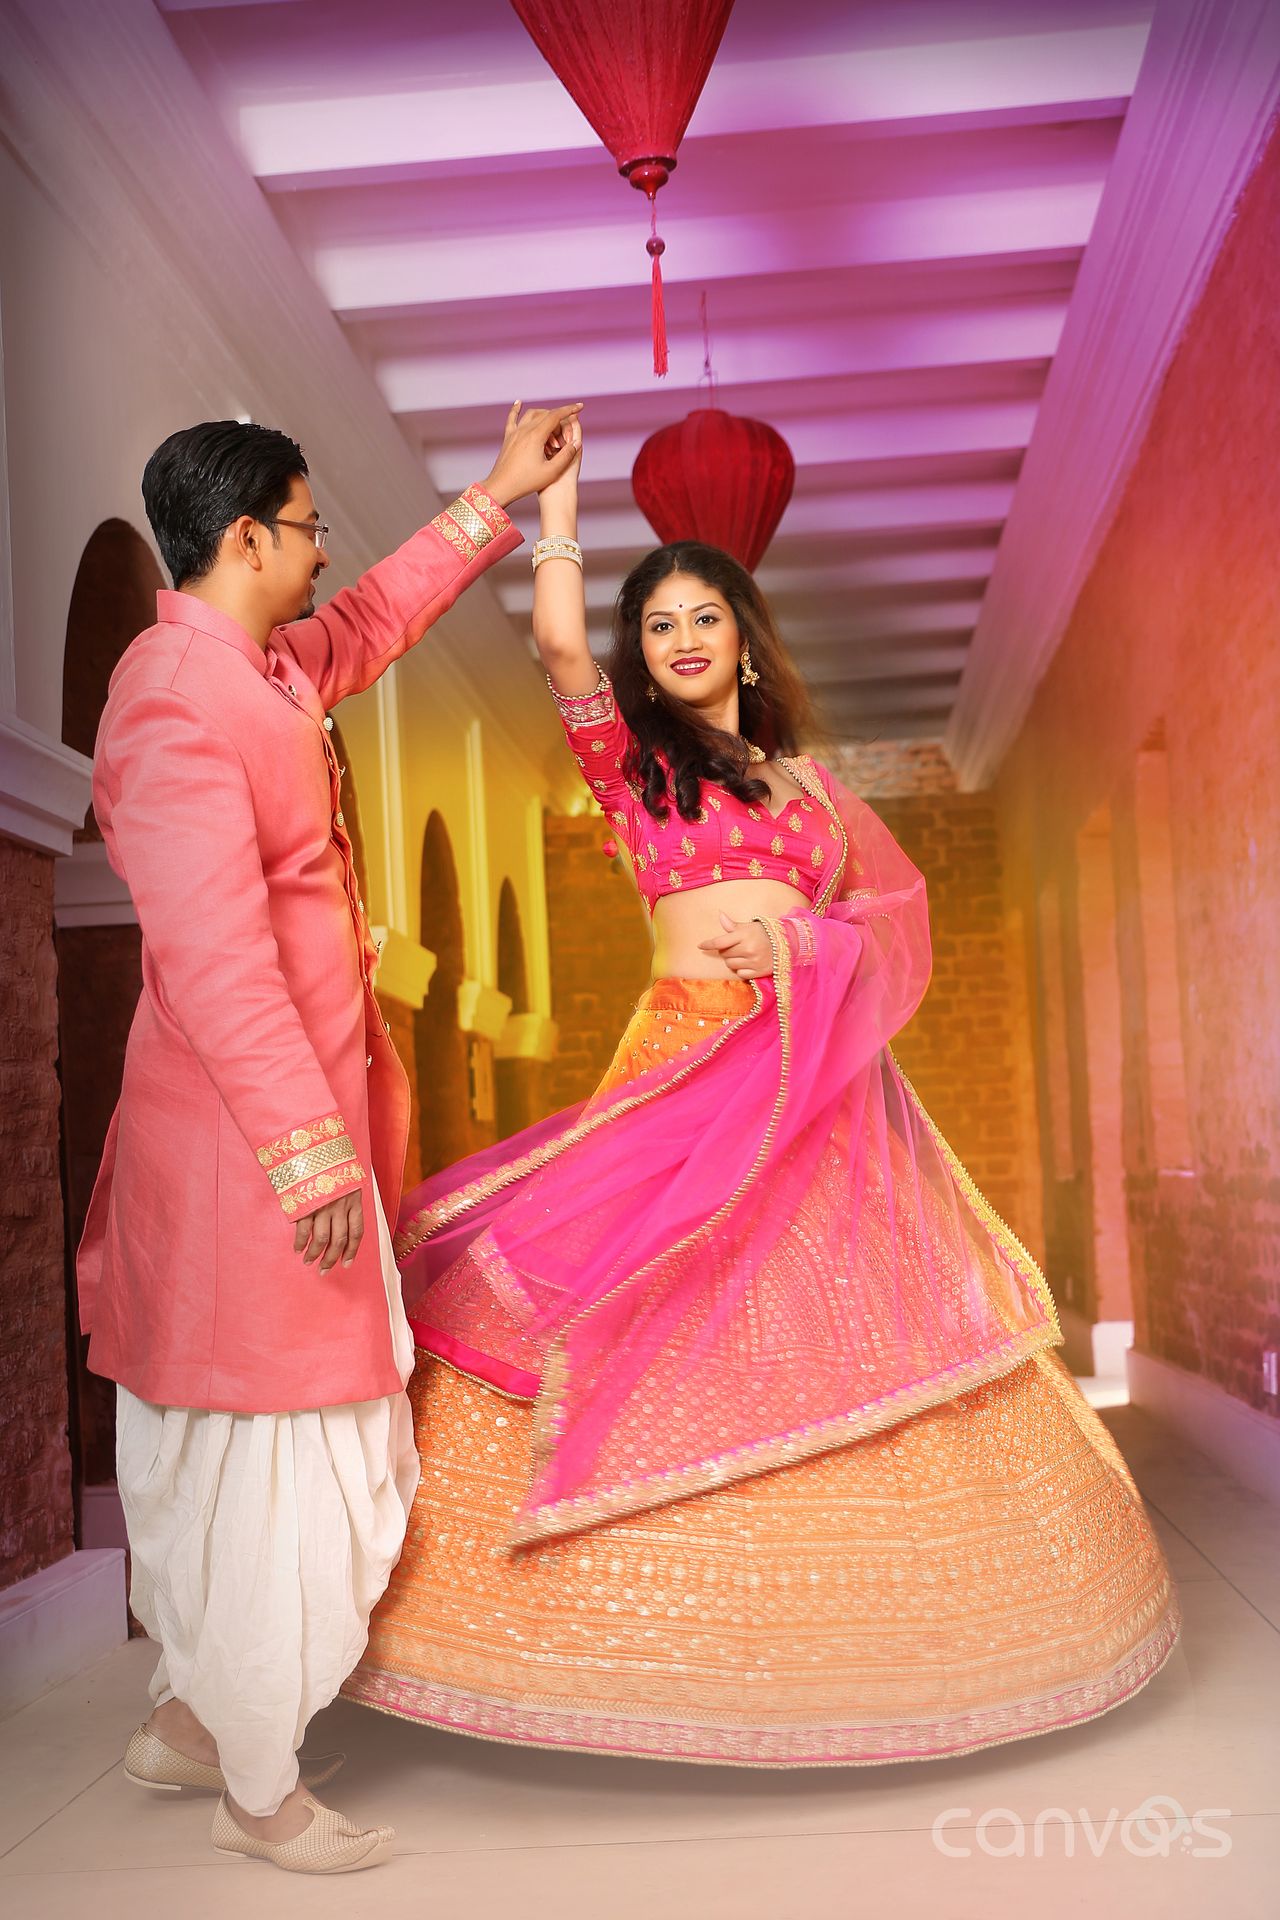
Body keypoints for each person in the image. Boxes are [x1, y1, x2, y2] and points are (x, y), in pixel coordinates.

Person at [344, 411, 1181, 1766]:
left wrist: (800, 940)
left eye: (703, 618)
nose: (681, 640)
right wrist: (556, 516)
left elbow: (895, 920)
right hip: (679, 1067)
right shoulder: (633, 769)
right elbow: (559, 644)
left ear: (744, 635)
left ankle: (861, 1648)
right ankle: (621, 1651)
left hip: (808, 1093)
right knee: (649, 1315)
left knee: (823, 1331)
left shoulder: (805, 789)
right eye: (658, 624)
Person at [77, 403, 581, 1872]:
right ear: (243, 539)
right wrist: (306, 1156)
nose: (321, 551)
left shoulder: (266, 661)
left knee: (317, 1441)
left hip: (302, 1135)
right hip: (248, 1153)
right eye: (304, 525)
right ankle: (257, 1788)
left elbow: (368, 621)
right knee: (293, 1452)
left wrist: (496, 496)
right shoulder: (171, 699)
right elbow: (216, 955)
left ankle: (188, 1723)